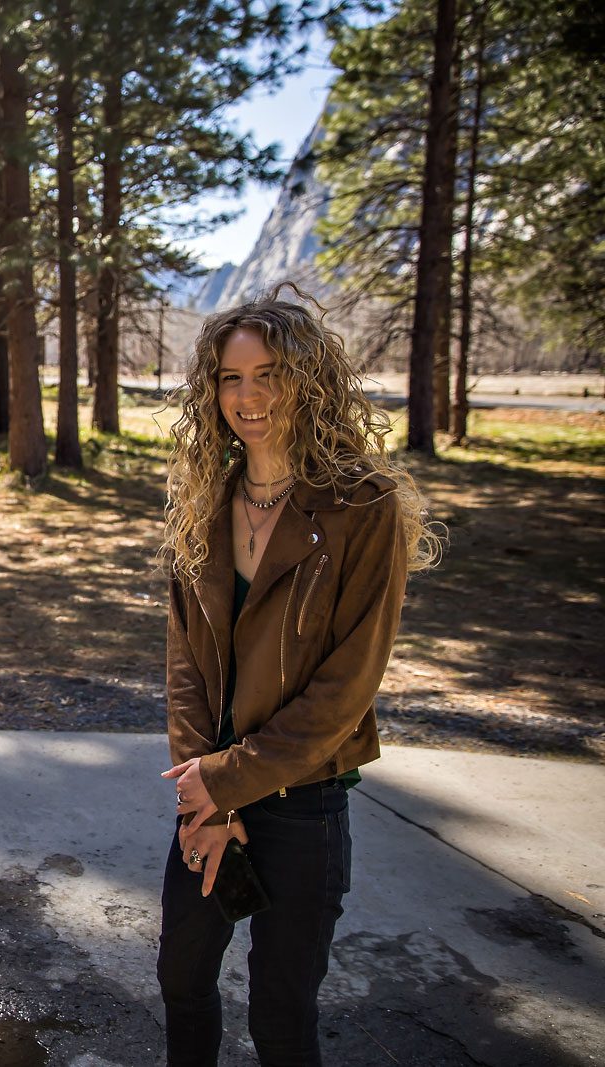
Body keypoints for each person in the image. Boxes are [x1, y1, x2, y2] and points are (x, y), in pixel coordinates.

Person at [156, 289, 441, 1066]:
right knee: (181, 979)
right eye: (230, 377)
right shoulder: (203, 501)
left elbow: (346, 687)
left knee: (281, 1017)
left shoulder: (363, 506)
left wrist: (229, 781)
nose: (248, 396)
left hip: (303, 802)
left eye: (269, 374)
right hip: (208, 793)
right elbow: (184, 663)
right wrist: (207, 793)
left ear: (309, 380)